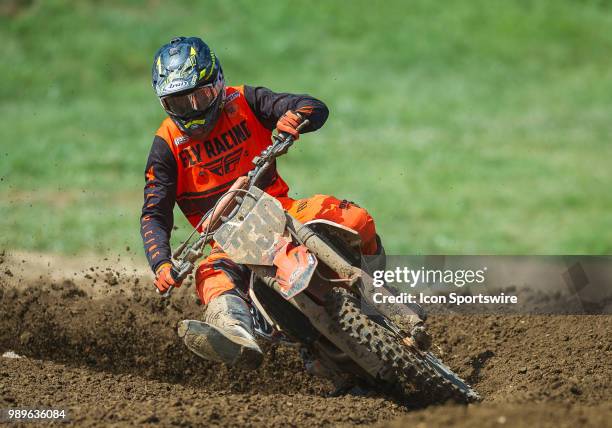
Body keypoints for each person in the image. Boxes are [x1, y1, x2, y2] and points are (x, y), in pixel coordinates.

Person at [141, 37, 384, 369]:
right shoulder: (166, 145)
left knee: (357, 220)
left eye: (201, 96)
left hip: (281, 209)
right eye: (180, 104)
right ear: (165, 105)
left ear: (218, 83)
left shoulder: (244, 100)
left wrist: (294, 118)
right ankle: (237, 335)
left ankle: (379, 287)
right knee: (211, 278)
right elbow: (154, 213)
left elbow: (314, 106)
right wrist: (161, 263)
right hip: (226, 240)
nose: (195, 110)